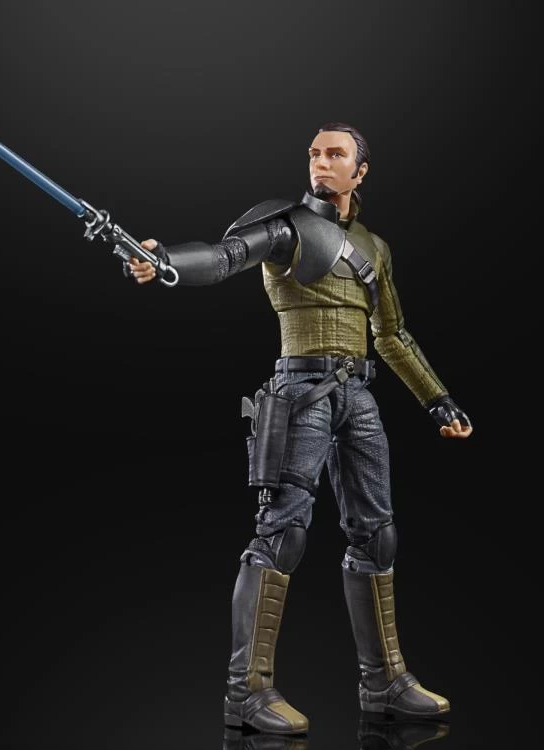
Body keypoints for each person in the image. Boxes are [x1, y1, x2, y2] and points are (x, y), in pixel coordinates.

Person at [129, 123, 472, 735]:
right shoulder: (286, 227)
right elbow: (224, 256)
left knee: (378, 537)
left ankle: (385, 682)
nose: (321, 162)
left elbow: (392, 334)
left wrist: (437, 400)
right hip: (300, 393)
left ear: (359, 171)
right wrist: (164, 260)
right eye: (315, 153)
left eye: (335, 154)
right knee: (281, 535)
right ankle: (247, 692)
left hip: (357, 396)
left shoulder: (373, 248)